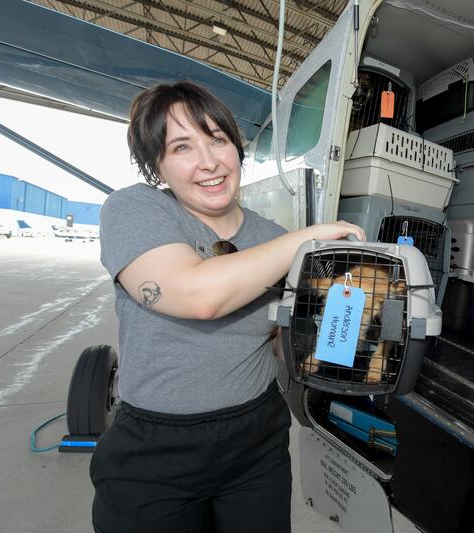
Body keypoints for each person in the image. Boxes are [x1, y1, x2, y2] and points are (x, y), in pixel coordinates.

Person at [91, 80, 365, 533]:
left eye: (217, 140)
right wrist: (307, 240)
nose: (208, 162)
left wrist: (337, 340)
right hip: (154, 447)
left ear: (236, 149)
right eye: (181, 147)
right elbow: (199, 296)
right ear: (157, 166)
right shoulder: (134, 210)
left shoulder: (272, 237)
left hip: (256, 440)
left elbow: (280, 341)